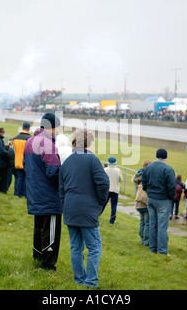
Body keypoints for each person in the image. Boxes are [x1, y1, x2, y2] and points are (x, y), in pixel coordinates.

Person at [59, 129, 109, 288]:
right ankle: (91, 282)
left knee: (76, 247)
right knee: (94, 247)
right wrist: (100, 203)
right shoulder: (92, 160)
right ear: (89, 142)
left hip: (70, 208)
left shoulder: (66, 162)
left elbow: (61, 189)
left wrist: (65, 205)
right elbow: (104, 183)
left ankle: (79, 280)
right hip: (87, 209)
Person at [24, 112, 62, 271]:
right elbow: (53, 171)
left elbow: (25, 165)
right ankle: (47, 264)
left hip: (34, 192)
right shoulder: (47, 144)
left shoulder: (30, 141)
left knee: (39, 227)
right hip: (49, 194)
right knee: (51, 230)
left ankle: (37, 255)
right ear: (52, 127)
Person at [141, 148, 177, 255]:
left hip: (151, 199)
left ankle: (153, 248)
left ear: (156, 156)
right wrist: (170, 197)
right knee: (162, 226)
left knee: (152, 224)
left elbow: (144, 182)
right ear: (166, 157)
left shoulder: (148, 168)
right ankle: (161, 250)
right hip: (163, 200)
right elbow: (172, 186)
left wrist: (149, 192)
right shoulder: (168, 169)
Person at [133, 160, 152, 246]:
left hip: (139, 202)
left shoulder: (138, 175)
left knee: (142, 222)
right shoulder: (148, 176)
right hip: (146, 202)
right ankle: (146, 240)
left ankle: (142, 238)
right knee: (147, 223)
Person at [12, 122, 32, 198]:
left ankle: (18, 193)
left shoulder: (15, 138)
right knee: (26, 178)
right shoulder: (30, 138)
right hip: (26, 161)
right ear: (29, 128)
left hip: (17, 160)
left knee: (19, 177)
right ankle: (24, 193)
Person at [104, 156, 123, 224]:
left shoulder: (105, 169)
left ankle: (96, 216)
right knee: (114, 205)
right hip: (115, 190)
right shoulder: (118, 170)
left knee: (103, 204)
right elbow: (121, 180)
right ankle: (112, 220)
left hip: (107, 189)